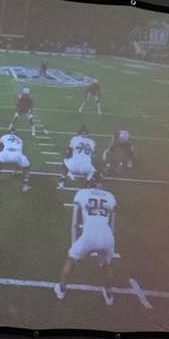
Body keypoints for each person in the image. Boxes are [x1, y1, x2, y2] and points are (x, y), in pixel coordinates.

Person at [55, 172, 117, 305]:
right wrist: (110, 244)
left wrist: (73, 242)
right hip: (107, 236)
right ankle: (109, 294)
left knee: (71, 259)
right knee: (107, 265)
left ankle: (61, 289)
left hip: (89, 236)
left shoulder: (82, 193)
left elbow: (75, 222)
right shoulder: (111, 197)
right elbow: (112, 225)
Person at [56, 124, 97, 189]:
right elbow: (93, 155)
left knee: (65, 162)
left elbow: (69, 151)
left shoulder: (75, 139)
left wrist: (68, 157)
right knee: (93, 172)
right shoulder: (92, 142)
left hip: (74, 166)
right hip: (87, 168)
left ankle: (62, 182)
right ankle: (87, 184)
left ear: (79, 133)